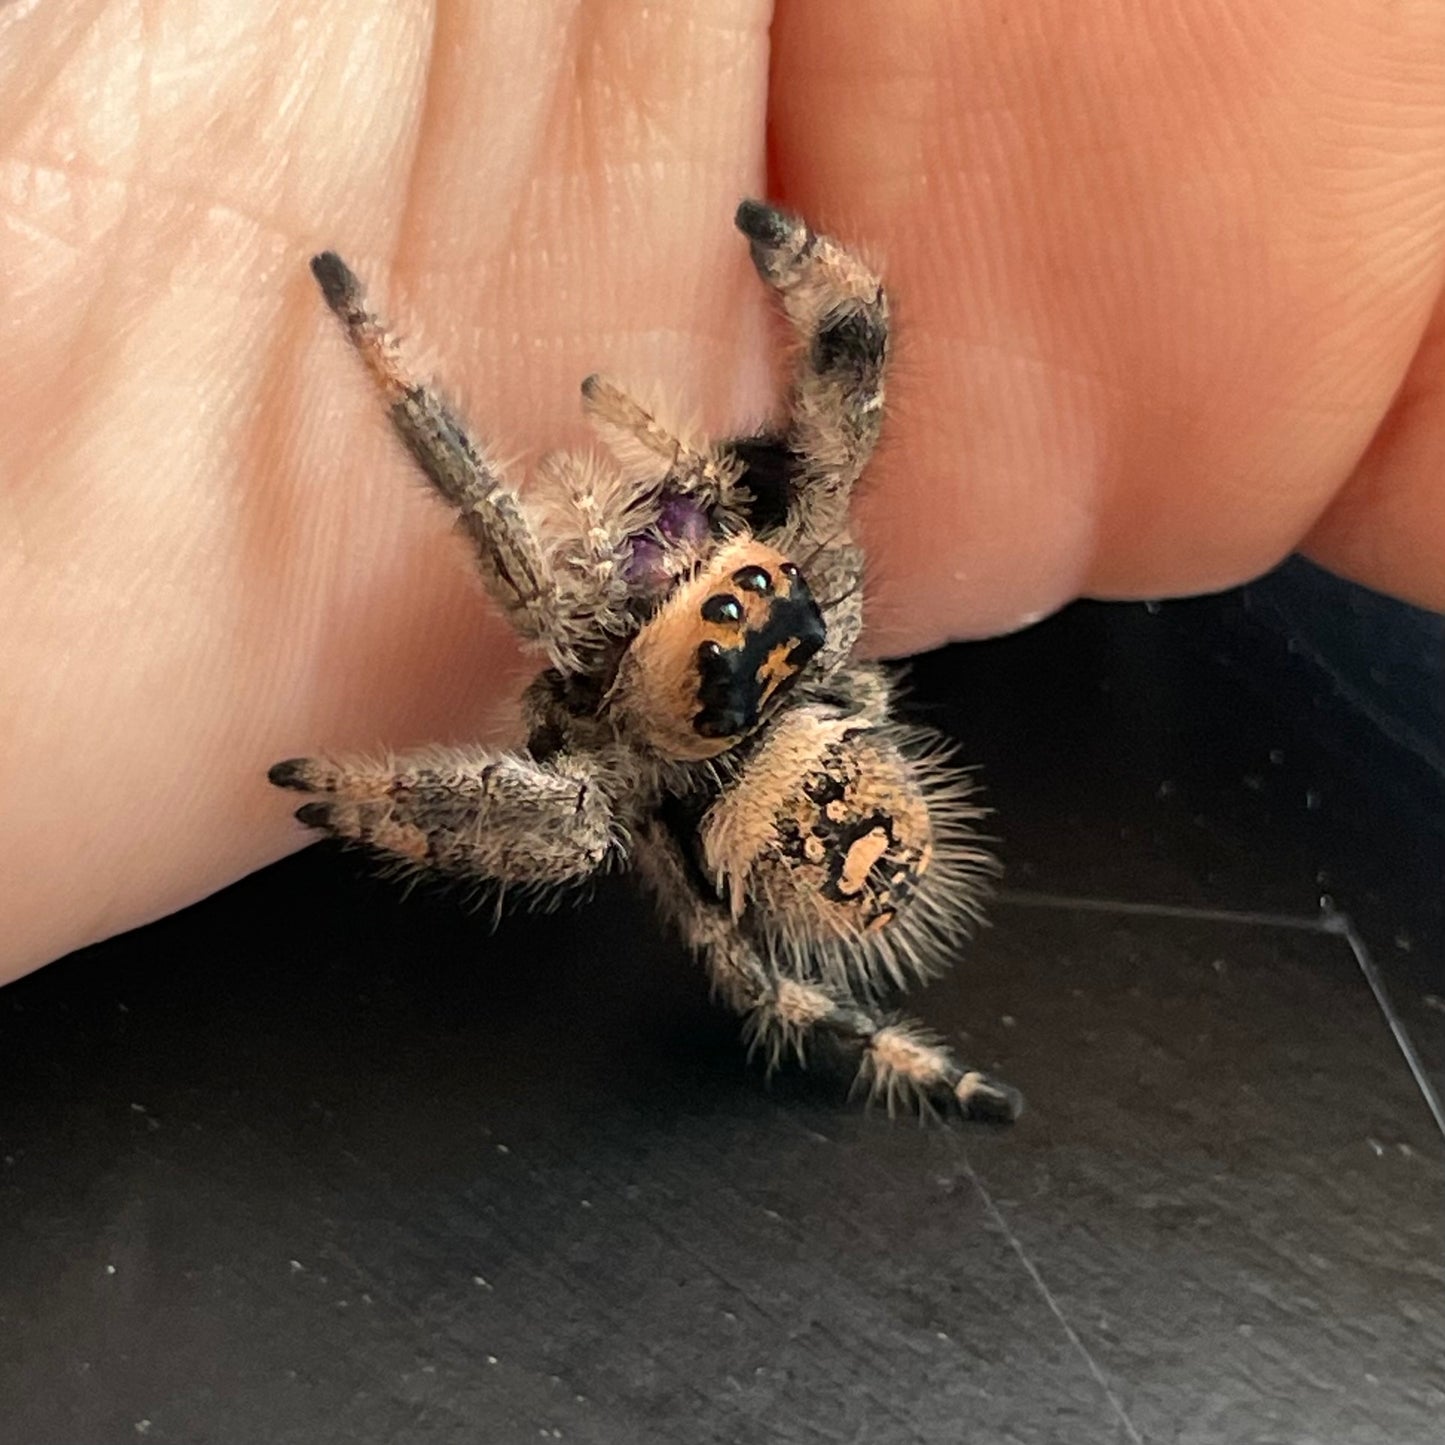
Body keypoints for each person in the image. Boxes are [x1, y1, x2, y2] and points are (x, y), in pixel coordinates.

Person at [3, 2, 1442, 980]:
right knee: (827, 467)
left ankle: (856, 1035)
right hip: (807, 734)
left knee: (583, 824)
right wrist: (830, 301)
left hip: (791, 772)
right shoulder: (815, 583)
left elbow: (514, 551)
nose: (665, 549)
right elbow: (843, 405)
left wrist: (377, 795)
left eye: (694, 557)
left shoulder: (636, 694)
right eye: (697, 553)